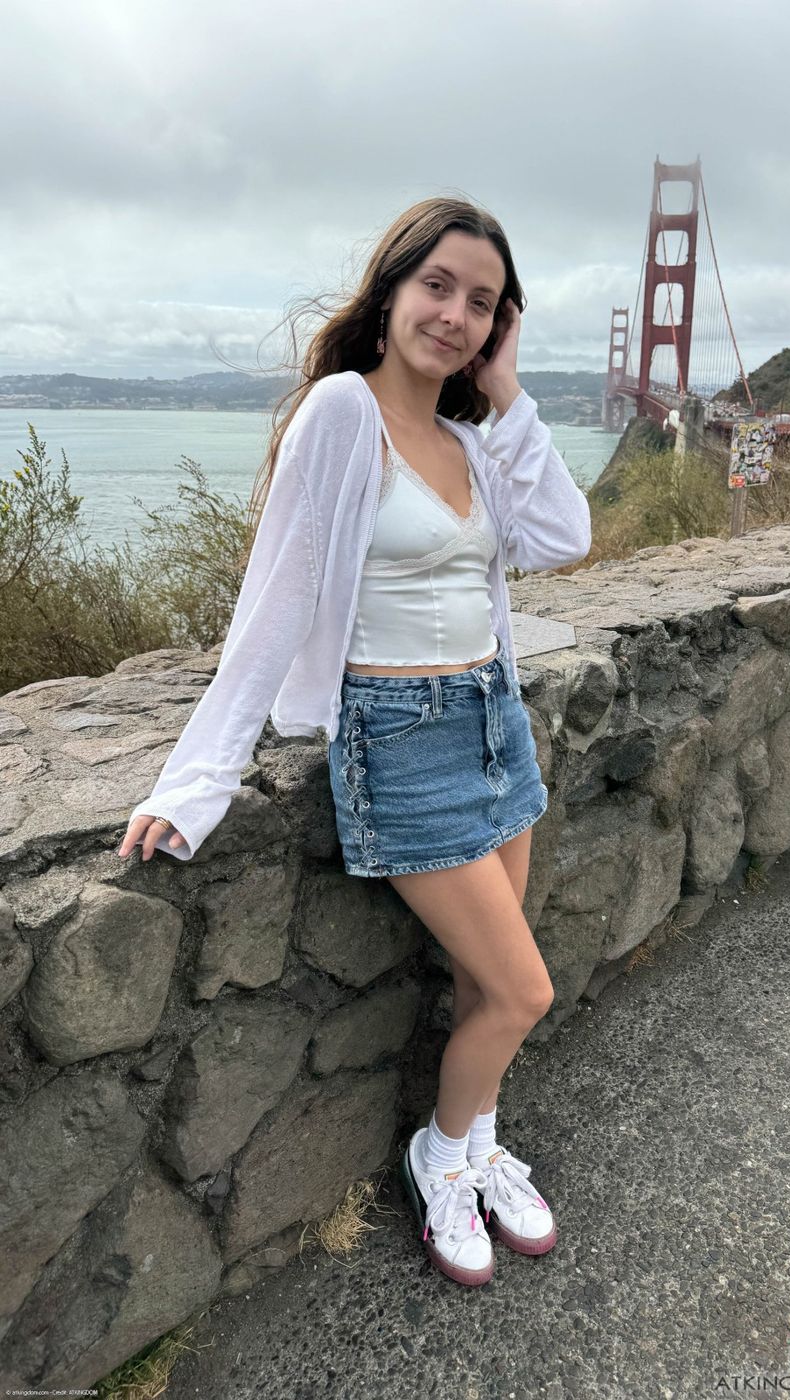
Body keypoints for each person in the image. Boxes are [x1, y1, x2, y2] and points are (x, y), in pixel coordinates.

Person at [117, 196, 592, 1288]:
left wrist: (510, 391)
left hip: (493, 722)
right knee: (522, 990)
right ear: (389, 293)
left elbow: (563, 539)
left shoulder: (470, 438)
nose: (455, 315)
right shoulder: (343, 413)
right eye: (437, 286)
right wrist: (197, 778)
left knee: (486, 980)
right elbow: (274, 602)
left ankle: (477, 1149)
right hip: (399, 740)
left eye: (482, 302)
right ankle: (438, 1156)